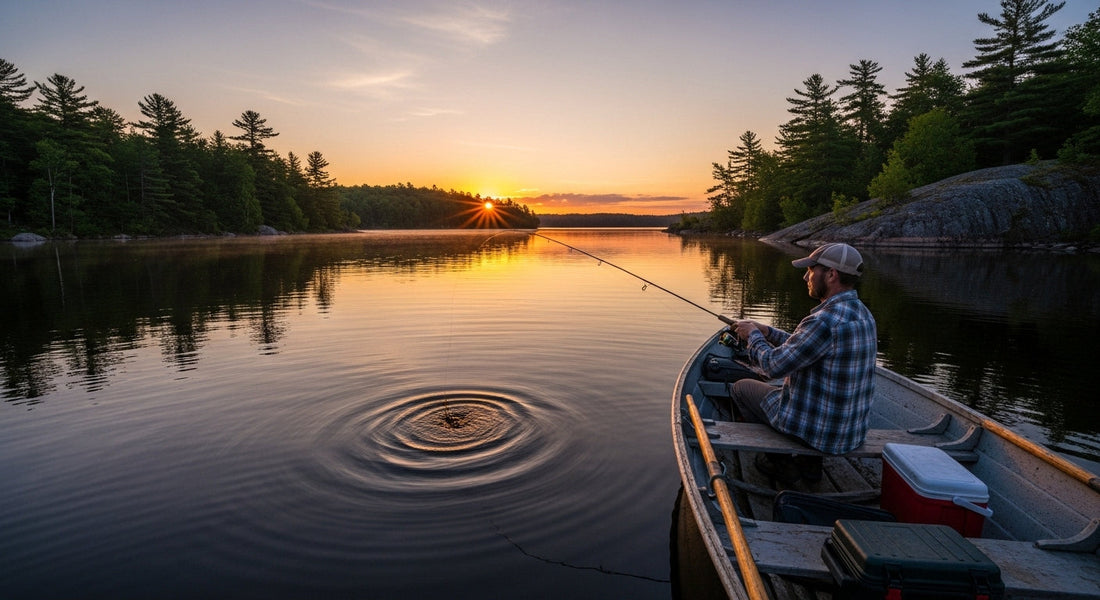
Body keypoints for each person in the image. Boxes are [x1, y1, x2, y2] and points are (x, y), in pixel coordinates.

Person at [730, 242, 877, 484]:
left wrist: (752, 336)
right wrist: (767, 331)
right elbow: (807, 346)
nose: (805, 276)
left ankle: (780, 462)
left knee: (741, 388)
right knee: (785, 390)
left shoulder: (823, 320)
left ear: (831, 275)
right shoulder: (863, 314)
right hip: (851, 433)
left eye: (811, 270)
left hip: (819, 433)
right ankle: (810, 467)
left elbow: (772, 367)